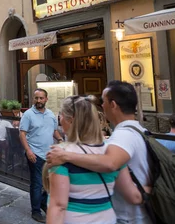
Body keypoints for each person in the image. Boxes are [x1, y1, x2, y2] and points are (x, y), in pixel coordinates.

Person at [47, 81, 153, 223]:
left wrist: (65, 155)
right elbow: (134, 195)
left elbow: (58, 206)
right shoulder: (112, 146)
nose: (102, 106)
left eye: (103, 101)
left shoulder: (61, 156)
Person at [19, 89, 64, 222]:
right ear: (33, 99)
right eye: (36, 98)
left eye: (41, 98)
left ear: (46, 99)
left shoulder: (51, 114)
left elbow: (54, 131)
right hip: (35, 154)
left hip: (49, 154)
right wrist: (28, 151)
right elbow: (22, 134)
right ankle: (36, 211)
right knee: (37, 183)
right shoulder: (28, 115)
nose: (38, 101)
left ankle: (43, 202)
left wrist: (61, 140)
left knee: (50, 183)